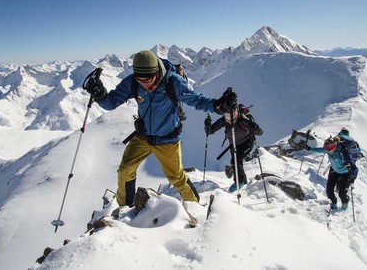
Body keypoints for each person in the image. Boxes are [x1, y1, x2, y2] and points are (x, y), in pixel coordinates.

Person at [84, 50, 237, 207]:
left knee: (176, 178)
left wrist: (218, 106)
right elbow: (111, 102)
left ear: (156, 71)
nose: (145, 84)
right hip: (143, 137)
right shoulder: (133, 82)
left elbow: (196, 100)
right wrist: (100, 93)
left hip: (167, 139)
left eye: (148, 79)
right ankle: (124, 208)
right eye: (140, 79)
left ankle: (195, 206)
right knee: (125, 170)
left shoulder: (173, 83)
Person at [204, 104, 263, 192]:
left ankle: (240, 182)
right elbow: (210, 131)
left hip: (247, 142)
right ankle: (243, 182)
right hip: (234, 144)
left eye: (229, 115)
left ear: (235, 113)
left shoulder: (244, 120)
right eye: (225, 115)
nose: (228, 118)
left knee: (236, 160)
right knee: (235, 162)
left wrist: (255, 127)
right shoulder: (224, 120)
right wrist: (207, 125)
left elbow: (260, 132)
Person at [304, 136, 358, 210]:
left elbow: (354, 167)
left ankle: (345, 202)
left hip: (345, 173)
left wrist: (353, 177)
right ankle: (334, 203)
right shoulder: (328, 149)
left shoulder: (343, 152)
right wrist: (309, 148)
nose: (328, 150)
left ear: (335, 145)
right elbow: (321, 150)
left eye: (329, 148)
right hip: (334, 170)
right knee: (329, 190)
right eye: (326, 148)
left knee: (342, 193)